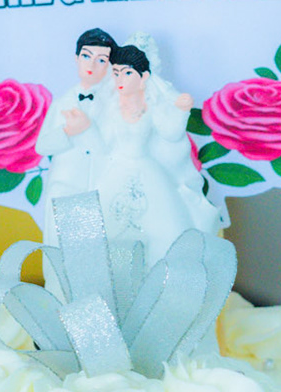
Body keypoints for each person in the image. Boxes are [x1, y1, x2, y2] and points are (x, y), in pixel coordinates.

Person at [92, 37, 224, 268]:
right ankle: (113, 274)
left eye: (127, 73)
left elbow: (170, 133)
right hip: (117, 171)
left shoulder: (151, 107)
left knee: (163, 223)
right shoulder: (111, 108)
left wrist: (181, 111)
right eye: (116, 73)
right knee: (107, 222)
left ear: (143, 77)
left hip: (147, 171)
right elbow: (100, 141)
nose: (120, 79)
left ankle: (162, 273)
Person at [34, 28, 117, 205]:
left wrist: (88, 128)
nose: (91, 65)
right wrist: (67, 132)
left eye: (101, 60)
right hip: (66, 185)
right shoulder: (61, 104)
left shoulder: (113, 104)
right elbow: (42, 146)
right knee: (73, 223)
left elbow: (111, 150)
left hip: (100, 186)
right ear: (76, 58)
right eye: (86, 56)